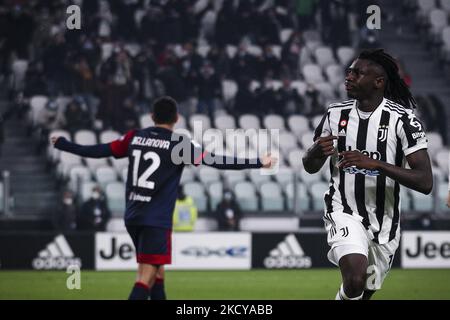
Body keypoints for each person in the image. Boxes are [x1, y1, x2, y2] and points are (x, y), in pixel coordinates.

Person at [52, 96, 276, 300]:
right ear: (177, 118)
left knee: (158, 272)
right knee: (145, 278)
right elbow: (217, 160)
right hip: (155, 220)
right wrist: (258, 161)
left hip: (133, 216)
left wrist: (64, 144)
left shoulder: (135, 137)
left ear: (151, 117)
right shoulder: (178, 145)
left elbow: (99, 150)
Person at [302, 49, 433, 300]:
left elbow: (425, 181)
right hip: (343, 210)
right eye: (348, 72)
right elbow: (311, 166)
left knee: (361, 293)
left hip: (384, 225)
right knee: (354, 280)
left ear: (378, 82)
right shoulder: (335, 114)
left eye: (357, 73)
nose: (348, 77)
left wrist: (377, 164)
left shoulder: (403, 120)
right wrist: (314, 152)